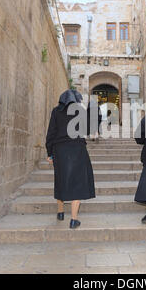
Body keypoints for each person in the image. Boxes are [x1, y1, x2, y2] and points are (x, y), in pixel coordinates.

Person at [45, 90, 96, 229]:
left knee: (61, 179)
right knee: (77, 182)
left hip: (60, 150)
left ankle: (60, 212)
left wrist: (50, 153)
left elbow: (51, 133)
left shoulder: (56, 111)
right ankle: (74, 220)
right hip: (77, 149)